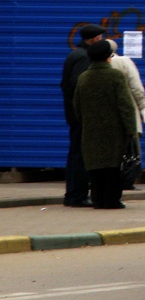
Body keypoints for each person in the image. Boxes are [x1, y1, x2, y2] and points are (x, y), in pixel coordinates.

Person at [72, 39, 138, 209]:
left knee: (95, 168)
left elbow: (77, 106)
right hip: (113, 131)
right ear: (108, 57)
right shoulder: (115, 76)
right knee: (113, 168)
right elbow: (125, 105)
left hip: (90, 131)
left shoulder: (83, 78)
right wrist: (131, 130)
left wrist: (86, 122)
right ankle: (112, 200)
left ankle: (97, 199)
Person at [59, 23, 105, 207]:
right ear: (94, 39)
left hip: (75, 115)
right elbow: (80, 88)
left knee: (75, 154)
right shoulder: (84, 58)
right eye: (100, 38)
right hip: (81, 117)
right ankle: (77, 195)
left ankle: (73, 194)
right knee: (80, 155)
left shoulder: (76, 53)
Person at [107, 39, 145, 174]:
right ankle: (128, 176)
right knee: (131, 148)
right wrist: (142, 106)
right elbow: (136, 87)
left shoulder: (90, 65)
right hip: (127, 113)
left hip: (105, 117)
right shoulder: (124, 62)